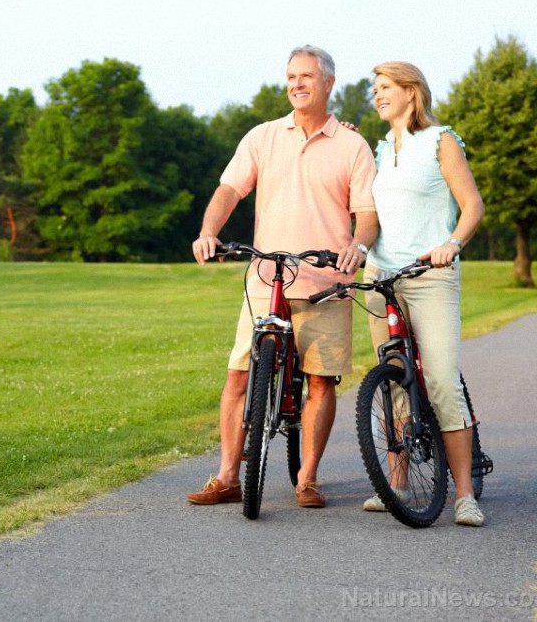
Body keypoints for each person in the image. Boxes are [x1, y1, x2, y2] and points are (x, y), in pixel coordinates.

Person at [188, 45, 379, 509]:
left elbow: (367, 214)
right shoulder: (263, 136)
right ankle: (228, 476)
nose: (297, 84)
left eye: (307, 76)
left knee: (319, 381)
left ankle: (307, 480)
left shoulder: (352, 145)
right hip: (265, 279)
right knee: (238, 376)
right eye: (291, 76)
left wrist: (359, 244)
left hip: (325, 283)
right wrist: (208, 232)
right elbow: (230, 188)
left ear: (328, 83)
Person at [363, 61, 486, 526]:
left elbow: (472, 205)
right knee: (393, 377)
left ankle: (464, 496)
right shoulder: (377, 148)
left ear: (411, 93)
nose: (377, 95)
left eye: (386, 87)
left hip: (430, 275)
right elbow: (372, 212)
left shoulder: (441, 140)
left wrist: (451, 244)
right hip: (383, 275)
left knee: (438, 379)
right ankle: (396, 485)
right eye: (376, 88)